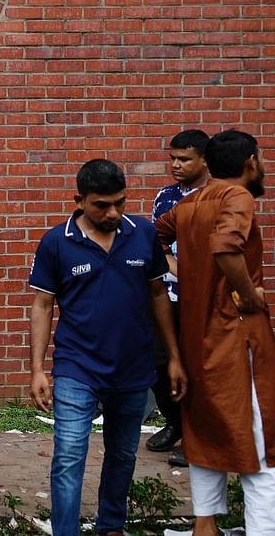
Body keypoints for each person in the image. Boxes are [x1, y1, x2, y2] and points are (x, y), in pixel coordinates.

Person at [29, 159, 187, 536]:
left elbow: (158, 294)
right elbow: (42, 305)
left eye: (120, 202)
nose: (113, 212)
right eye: (102, 204)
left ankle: (111, 526)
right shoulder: (56, 241)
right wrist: (37, 369)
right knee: (68, 456)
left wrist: (175, 358)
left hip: (134, 367)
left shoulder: (142, 233)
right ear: (79, 200)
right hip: (76, 367)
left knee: (122, 454)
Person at [154, 130, 275, 536]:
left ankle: (205, 527)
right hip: (235, 336)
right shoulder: (236, 197)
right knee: (262, 444)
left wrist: (180, 271)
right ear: (251, 163)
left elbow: (152, 237)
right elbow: (226, 247)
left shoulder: (189, 205)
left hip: (196, 337)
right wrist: (247, 293)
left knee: (204, 433)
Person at [147, 129, 210, 467]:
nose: (175, 165)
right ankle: (174, 422)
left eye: (184, 159)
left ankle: (196, 437)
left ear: (204, 160)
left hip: (201, 299)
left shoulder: (219, 197)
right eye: (172, 158)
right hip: (164, 293)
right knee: (158, 361)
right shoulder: (166, 196)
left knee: (196, 367)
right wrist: (171, 265)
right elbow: (154, 239)